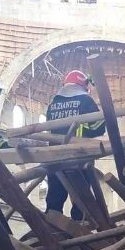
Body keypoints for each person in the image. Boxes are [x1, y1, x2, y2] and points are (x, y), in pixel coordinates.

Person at [42, 70, 103, 221]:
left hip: (55, 158)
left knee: (54, 198)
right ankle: (81, 231)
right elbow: (99, 126)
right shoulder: (85, 101)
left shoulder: (53, 104)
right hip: (79, 157)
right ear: (83, 86)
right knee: (81, 201)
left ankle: (53, 230)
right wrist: (85, 133)